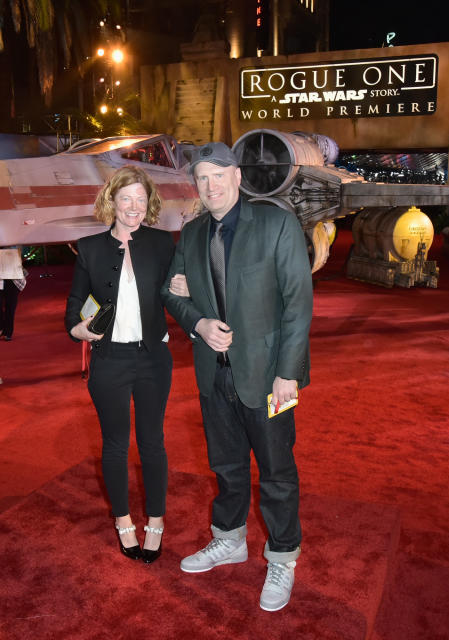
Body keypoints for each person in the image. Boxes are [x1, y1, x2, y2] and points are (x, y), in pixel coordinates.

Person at [161, 142, 312, 612]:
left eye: (218, 176)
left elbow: (298, 304)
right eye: (202, 179)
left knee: (277, 473)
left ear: (238, 177)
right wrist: (198, 324)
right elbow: (170, 290)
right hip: (214, 375)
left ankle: (283, 556)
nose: (210, 186)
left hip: (269, 378)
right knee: (226, 468)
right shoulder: (192, 232)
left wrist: (289, 374)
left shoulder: (276, 223)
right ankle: (229, 540)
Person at [65, 166, 176, 564]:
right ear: (111, 201)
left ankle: (157, 522)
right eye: (126, 198)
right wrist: (76, 328)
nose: (134, 206)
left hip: (153, 359)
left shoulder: (163, 243)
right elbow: (76, 302)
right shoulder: (90, 247)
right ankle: (124, 520)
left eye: (141, 200)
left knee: (152, 443)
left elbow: (178, 290)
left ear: (150, 205)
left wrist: (185, 291)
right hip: (109, 360)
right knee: (115, 444)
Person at [0, 261, 26, 341]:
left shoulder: (13, 248)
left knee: (10, 307)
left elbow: (17, 256)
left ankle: (8, 332)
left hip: (13, 278)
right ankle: (0, 329)